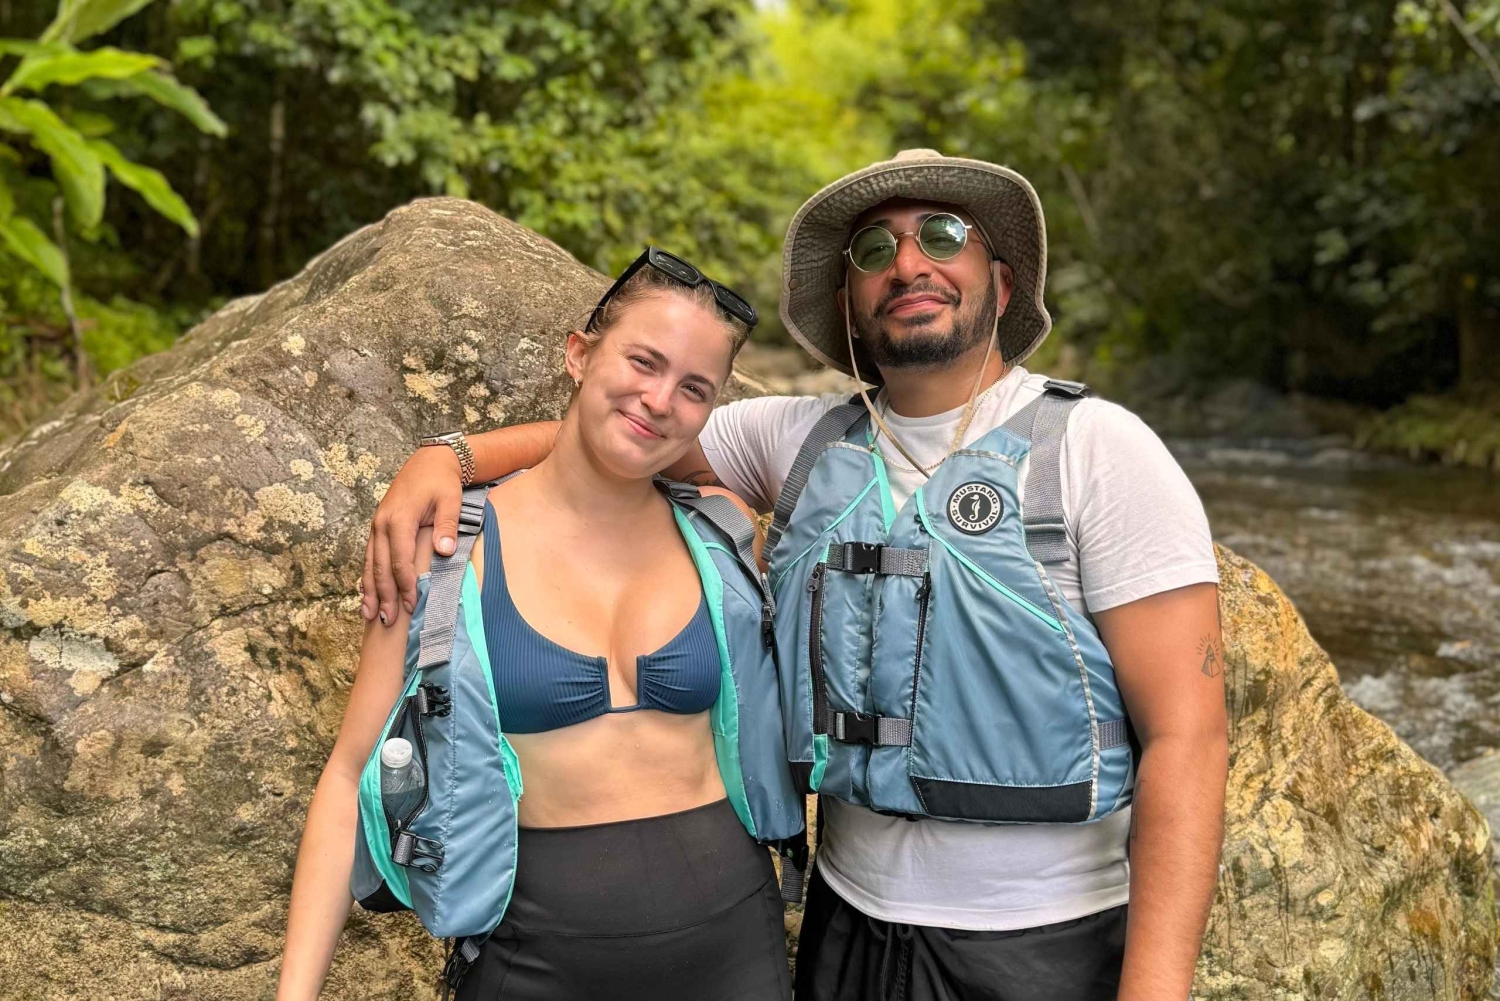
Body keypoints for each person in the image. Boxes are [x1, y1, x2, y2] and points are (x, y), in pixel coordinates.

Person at [361, 150, 1230, 1001]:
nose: (909, 265)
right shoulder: (798, 439)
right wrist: (448, 458)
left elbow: (1188, 740)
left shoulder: (1097, 450)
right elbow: (622, 434)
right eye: (875, 250)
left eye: (941, 235)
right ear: (850, 303)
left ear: (1001, 286)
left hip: (1046, 941)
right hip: (845, 924)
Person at [277, 248, 797, 1001]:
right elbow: (349, 770)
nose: (659, 400)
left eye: (694, 388)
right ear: (578, 355)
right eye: (643, 362)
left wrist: (450, 452)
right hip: (533, 961)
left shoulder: (723, 531)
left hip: (736, 952)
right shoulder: (447, 549)